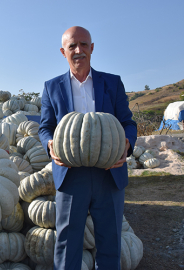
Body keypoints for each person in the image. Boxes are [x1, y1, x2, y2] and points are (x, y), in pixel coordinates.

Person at [38, 26, 137, 269]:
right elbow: (45, 127)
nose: (78, 50)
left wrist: (127, 143)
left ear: (92, 48)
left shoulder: (112, 83)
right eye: (72, 46)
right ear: (63, 52)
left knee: (110, 243)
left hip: (109, 172)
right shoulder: (52, 87)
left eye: (83, 44)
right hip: (71, 174)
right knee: (67, 243)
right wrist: (50, 144)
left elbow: (127, 122)